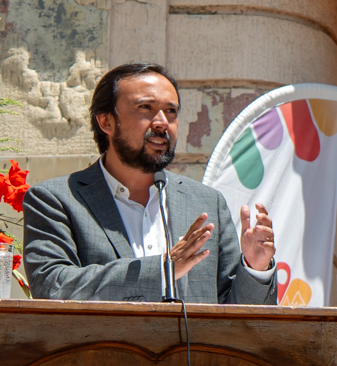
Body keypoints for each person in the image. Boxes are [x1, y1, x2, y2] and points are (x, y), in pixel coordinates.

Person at [22, 62, 278, 304]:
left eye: (171, 111)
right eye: (145, 108)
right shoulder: (56, 199)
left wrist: (256, 269)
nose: (162, 123)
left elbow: (236, 317)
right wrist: (163, 270)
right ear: (106, 121)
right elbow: (52, 286)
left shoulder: (206, 202)